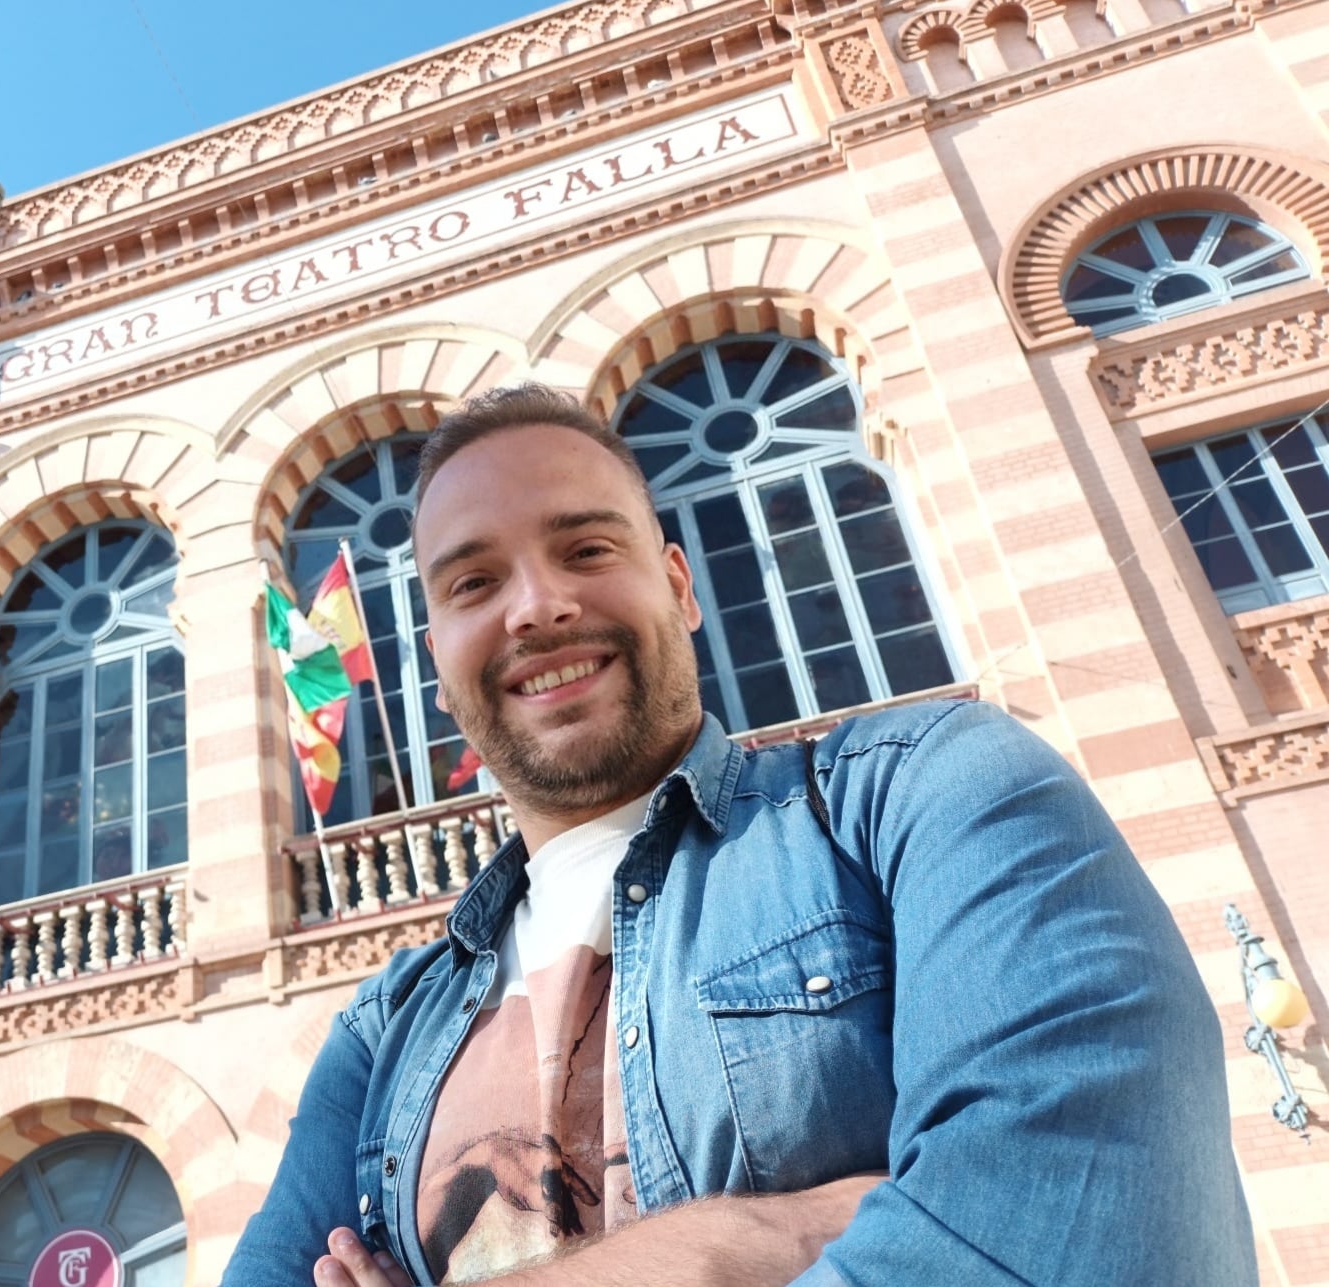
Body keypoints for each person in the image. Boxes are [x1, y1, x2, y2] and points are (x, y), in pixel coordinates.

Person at [218, 384, 1255, 1287]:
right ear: (436, 661)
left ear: (678, 584)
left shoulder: (926, 792)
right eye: (475, 583)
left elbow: (1076, 1236)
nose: (538, 605)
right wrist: (770, 1236)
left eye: (586, 547)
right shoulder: (379, 1033)